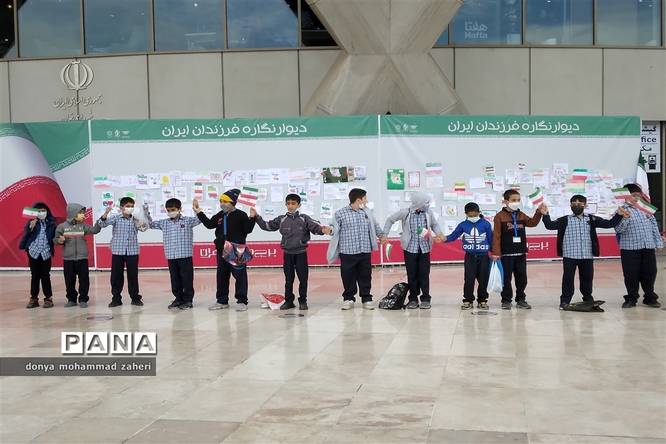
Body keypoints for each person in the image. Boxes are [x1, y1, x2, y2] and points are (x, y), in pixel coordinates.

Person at [541, 195, 628, 309]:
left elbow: (609, 224)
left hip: (587, 255)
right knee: (568, 279)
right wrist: (545, 214)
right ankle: (565, 301)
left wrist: (619, 215)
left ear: (585, 205)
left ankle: (588, 299)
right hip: (570, 256)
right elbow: (550, 225)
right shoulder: (564, 220)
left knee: (587, 279)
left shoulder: (591, 219)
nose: (576, 205)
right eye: (574, 203)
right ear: (570, 205)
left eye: (580, 203)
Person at [250, 194, 331, 310]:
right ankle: (289, 301)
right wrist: (257, 217)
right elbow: (267, 226)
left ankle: (303, 301)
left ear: (299, 205)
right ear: (285, 204)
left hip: (301, 254)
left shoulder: (304, 218)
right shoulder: (281, 219)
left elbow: (316, 227)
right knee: (289, 280)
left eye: (293, 203)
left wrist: (323, 230)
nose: (290, 206)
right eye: (288, 203)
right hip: (287, 255)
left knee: (303, 279)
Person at [195, 189, 256, 312]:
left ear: (233, 202)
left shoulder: (241, 215)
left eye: (225, 201)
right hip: (222, 250)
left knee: (240, 276)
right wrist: (199, 212)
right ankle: (222, 301)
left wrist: (252, 218)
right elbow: (209, 224)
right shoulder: (220, 215)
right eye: (221, 201)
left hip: (237, 251)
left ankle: (242, 301)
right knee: (222, 276)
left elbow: (248, 229)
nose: (222, 204)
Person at [328, 188, 388, 310]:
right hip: (347, 252)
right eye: (365, 198)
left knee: (365, 276)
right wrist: (329, 230)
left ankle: (366, 299)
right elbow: (333, 228)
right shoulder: (340, 213)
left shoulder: (367, 212)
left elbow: (375, 225)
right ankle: (348, 299)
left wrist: (382, 236)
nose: (366, 201)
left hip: (364, 250)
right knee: (348, 276)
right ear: (359, 199)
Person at [383, 191, 444, 309]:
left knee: (424, 274)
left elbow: (434, 225)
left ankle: (425, 298)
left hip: (425, 248)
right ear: (419, 203)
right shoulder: (405, 212)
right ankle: (413, 299)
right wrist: (385, 234)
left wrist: (439, 234)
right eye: (426, 202)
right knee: (412, 275)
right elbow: (390, 219)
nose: (428, 205)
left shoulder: (428, 213)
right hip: (410, 248)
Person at [491, 190, 544, 310]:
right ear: (506, 201)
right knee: (506, 278)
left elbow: (532, 223)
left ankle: (521, 299)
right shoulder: (499, 216)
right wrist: (496, 252)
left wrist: (538, 212)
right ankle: (506, 300)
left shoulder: (521, 215)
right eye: (513, 200)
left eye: (518, 200)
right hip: (506, 253)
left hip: (520, 252)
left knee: (522, 278)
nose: (516, 202)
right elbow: (496, 235)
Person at [145, 198, 201, 310]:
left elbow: (199, 220)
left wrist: (196, 210)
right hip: (171, 256)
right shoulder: (164, 223)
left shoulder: (187, 221)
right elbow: (150, 224)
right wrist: (146, 213)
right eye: (169, 210)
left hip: (185, 256)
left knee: (187, 279)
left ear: (179, 209)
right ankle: (178, 298)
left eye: (173, 209)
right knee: (175, 279)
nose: (171, 212)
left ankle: (188, 300)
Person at [614, 183, 664, 308]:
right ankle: (631, 298)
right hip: (629, 249)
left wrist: (658, 243)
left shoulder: (646, 209)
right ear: (626, 196)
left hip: (648, 246)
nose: (636, 198)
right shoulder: (621, 210)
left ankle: (650, 297)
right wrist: (625, 217)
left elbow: (654, 226)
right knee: (631, 275)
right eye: (633, 195)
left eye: (638, 195)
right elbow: (619, 230)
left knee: (650, 273)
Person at [98, 197, 148, 308]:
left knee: (133, 276)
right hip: (118, 251)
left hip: (132, 251)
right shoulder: (116, 218)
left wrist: (144, 215)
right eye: (127, 206)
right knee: (116, 276)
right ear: (121, 207)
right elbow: (101, 224)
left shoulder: (135, 219)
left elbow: (144, 228)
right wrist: (106, 213)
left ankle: (135, 298)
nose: (130, 208)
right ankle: (116, 298)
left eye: (132, 206)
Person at [445, 202, 493, 310]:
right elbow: (453, 236)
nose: (473, 217)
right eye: (470, 215)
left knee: (483, 279)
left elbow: (491, 239)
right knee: (469, 279)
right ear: (466, 214)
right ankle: (468, 300)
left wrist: (495, 252)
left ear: (479, 212)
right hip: (470, 256)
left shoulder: (486, 224)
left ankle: (482, 300)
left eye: (474, 214)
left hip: (484, 256)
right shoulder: (463, 225)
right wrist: (443, 239)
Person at [53, 203, 101, 308]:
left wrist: (100, 221)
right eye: (80, 213)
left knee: (84, 280)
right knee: (69, 280)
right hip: (68, 259)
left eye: (83, 213)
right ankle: (71, 299)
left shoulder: (83, 226)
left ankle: (83, 299)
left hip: (82, 258)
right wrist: (60, 240)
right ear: (73, 213)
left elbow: (95, 230)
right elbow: (55, 240)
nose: (83, 215)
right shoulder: (62, 226)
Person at [19, 202, 56, 309]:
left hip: (45, 253)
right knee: (35, 275)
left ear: (47, 211)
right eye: (39, 211)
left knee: (45, 275)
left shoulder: (51, 224)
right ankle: (34, 299)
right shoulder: (31, 222)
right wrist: (30, 227)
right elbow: (26, 235)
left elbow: (54, 237)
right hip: (33, 252)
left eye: (43, 210)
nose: (42, 213)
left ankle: (48, 298)